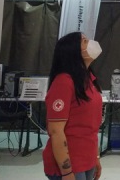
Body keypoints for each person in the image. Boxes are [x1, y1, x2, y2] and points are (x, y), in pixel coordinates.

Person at [43, 32, 103, 180]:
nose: (90, 42)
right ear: (73, 51)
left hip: (87, 158)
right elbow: (56, 131)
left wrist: (95, 157)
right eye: (84, 41)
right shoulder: (64, 82)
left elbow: (91, 127)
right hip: (70, 163)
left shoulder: (89, 80)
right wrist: (66, 172)